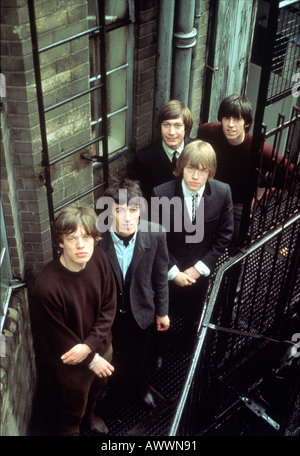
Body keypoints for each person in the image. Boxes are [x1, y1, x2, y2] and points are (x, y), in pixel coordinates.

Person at [32, 205, 117, 436]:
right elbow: (56, 336)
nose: (81, 245)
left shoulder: (99, 258)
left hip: (100, 345)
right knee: (73, 406)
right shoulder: (46, 286)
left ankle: (90, 415)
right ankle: (71, 428)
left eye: (87, 237)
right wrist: (89, 359)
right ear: (60, 242)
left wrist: (92, 347)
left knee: (99, 386)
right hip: (71, 361)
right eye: (72, 238)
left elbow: (109, 306)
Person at [152, 140, 234, 347]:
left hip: (199, 274)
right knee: (164, 313)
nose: (196, 177)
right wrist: (172, 271)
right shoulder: (160, 193)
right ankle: (160, 350)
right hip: (167, 273)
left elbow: (225, 234)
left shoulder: (222, 192)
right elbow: (154, 239)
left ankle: (188, 344)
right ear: (182, 167)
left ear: (210, 172)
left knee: (194, 314)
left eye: (203, 171)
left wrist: (200, 268)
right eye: (190, 168)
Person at [97, 178, 170, 408]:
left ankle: (139, 386)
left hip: (142, 310)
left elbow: (160, 277)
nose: (128, 217)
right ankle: (109, 386)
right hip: (109, 313)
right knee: (112, 353)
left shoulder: (156, 234)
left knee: (139, 353)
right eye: (119, 210)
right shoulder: (98, 240)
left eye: (134, 209)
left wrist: (162, 312)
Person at [196, 94, 293, 250]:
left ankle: (233, 271)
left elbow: (289, 171)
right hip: (210, 194)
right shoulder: (208, 132)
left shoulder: (258, 148)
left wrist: (263, 184)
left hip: (238, 201)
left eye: (237, 120)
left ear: (246, 122)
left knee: (236, 244)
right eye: (227, 118)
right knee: (201, 237)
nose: (230, 125)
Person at [132, 99, 194, 201]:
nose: (171, 132)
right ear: (160, 127)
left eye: (177, 125)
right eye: (166, 125)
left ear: (186, 128)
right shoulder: (143, 159)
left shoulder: (196, 151)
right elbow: (142, 200)